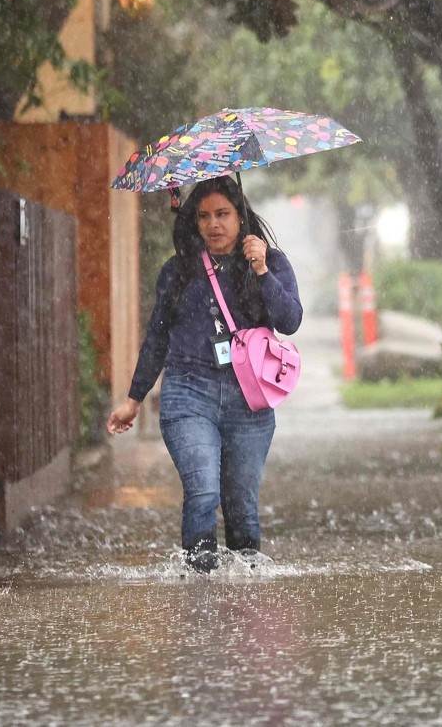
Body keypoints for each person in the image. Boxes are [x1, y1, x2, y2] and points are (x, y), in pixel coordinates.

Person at [107, 176, 302, 573]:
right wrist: (134, 398)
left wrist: (262, 270)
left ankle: (245, 595)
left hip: (249, 399)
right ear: (194, 221)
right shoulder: (178, 271)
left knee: (240, 502)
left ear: (240, 215)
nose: (214, 224)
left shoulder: (269, 261)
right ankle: (201, 590)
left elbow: (291, 320)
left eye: (224, 214)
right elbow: (157, 339)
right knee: (202, 492)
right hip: (187, 394)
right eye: (205, 216)